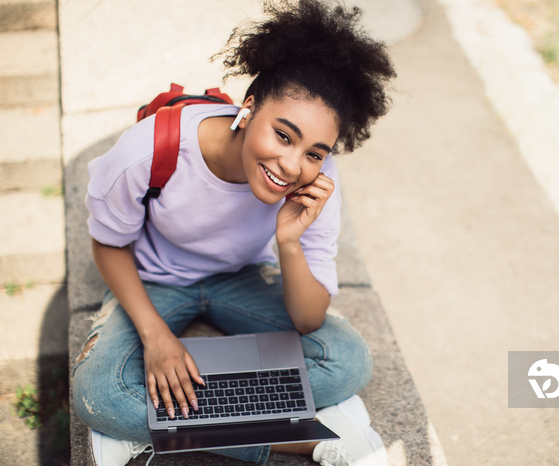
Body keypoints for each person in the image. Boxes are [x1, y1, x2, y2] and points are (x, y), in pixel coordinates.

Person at [71, 0, 396, 465]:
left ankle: (153, 421)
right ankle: (314, 437)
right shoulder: (151, 150)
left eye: (314, 152)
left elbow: (308, 320)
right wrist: (158, 340)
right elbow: (107, 243)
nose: (292, 165)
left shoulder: (318, 181)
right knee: (99, 392)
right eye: (283, 135)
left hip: (243, 275)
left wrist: (287, 242)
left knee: (347, 360)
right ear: (248, 110)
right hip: (153, 278)